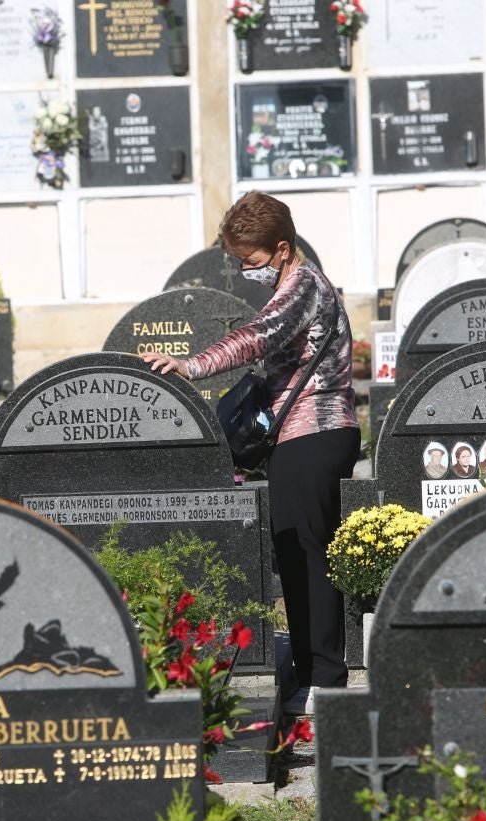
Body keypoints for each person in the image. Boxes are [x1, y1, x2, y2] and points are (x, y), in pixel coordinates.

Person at [141, 191, 357, 717]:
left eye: (252, 260)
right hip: (296, 438)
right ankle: (308, 669)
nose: (246, 270)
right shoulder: (289, 282)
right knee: (294, 555)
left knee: (309, 556)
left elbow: (256, 338)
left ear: (282, 248)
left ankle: (326, 679)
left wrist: (191, 366)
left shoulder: (304, 286)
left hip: (316, 433)